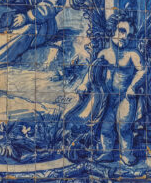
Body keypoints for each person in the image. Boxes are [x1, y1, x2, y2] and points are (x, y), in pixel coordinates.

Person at [62, 14, 146, 164]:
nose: (124, 37)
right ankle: (107, 153)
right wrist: (84, 85)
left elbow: (143, 70)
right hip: (107, 98)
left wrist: (133, 87)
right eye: (121, 31)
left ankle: (126, 155)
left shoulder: (132, 54)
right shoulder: (104, 54)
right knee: (106, 127)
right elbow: (93, 71)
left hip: (126, 97)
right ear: (112, 30)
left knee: (124, 127)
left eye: (128, 34)